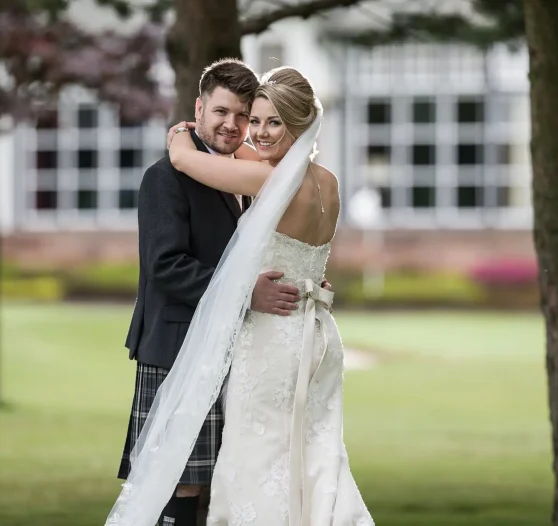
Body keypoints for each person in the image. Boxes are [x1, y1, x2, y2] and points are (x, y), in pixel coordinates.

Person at [105, 66, 372, 526]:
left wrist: (180, 140)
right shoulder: (320, 179)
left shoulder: (262, 178)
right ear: (199, 108)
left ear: (297, 125)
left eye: (256, 118)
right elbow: (165, 265)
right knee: (296, 456)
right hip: (229, 338)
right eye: (227, 113)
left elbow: (192, 161)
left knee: (256, 459)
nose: (246, 128)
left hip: (267, 342)